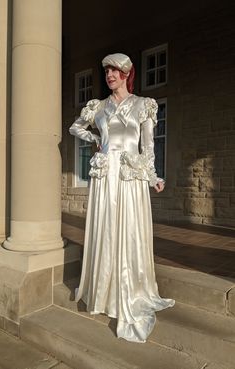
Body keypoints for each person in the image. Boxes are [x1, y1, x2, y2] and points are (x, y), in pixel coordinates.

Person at [69, 53, 175, 343]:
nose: (110, 76)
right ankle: (103, 291)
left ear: (127, 74)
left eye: (115, 71)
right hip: (105, 177)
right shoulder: (98, 107)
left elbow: (148, 146)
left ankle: (130, 291)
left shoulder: (143, 105)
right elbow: (75, 127)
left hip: (130, 177)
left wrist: (154, 177)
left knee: (129, 231)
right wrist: (95, 140)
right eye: (106, 72)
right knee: (105, 229)